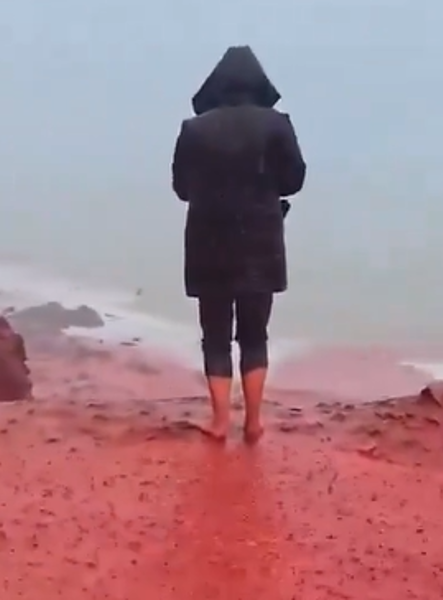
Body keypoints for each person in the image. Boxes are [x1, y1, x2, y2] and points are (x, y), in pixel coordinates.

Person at [170, 45, 306, 443]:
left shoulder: (193, 129)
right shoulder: (278, 125)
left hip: (208, 241)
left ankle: (219, 422)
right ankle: (254, 421)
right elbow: (294, 181)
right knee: (254, 334)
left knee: (214, 334)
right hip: (261, 240)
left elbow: (181, 189)